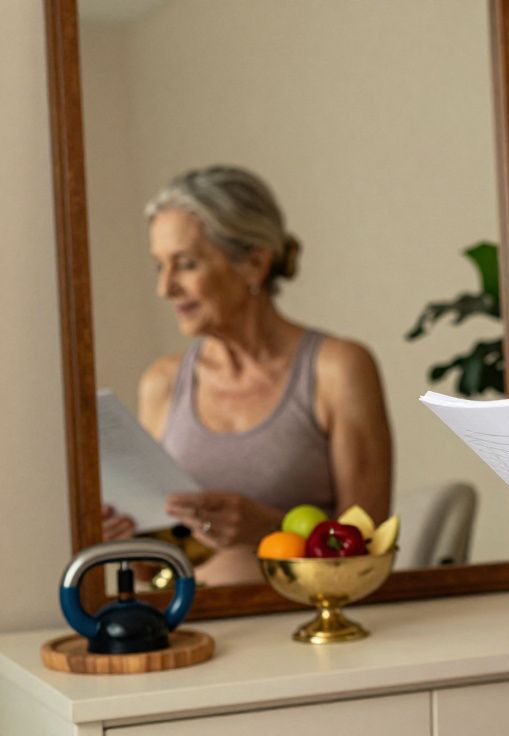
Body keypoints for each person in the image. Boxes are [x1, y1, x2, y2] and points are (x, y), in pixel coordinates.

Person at [102, 165, 392, 586]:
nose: (165, 288)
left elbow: (365, 549)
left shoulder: (338, 369)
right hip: (190, 619)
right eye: (158, 267)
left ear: (255, 263)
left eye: (186, 264)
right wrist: (122, 537)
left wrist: (269, 529)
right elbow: (150, 571)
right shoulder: (161, 383)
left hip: (310, 617)